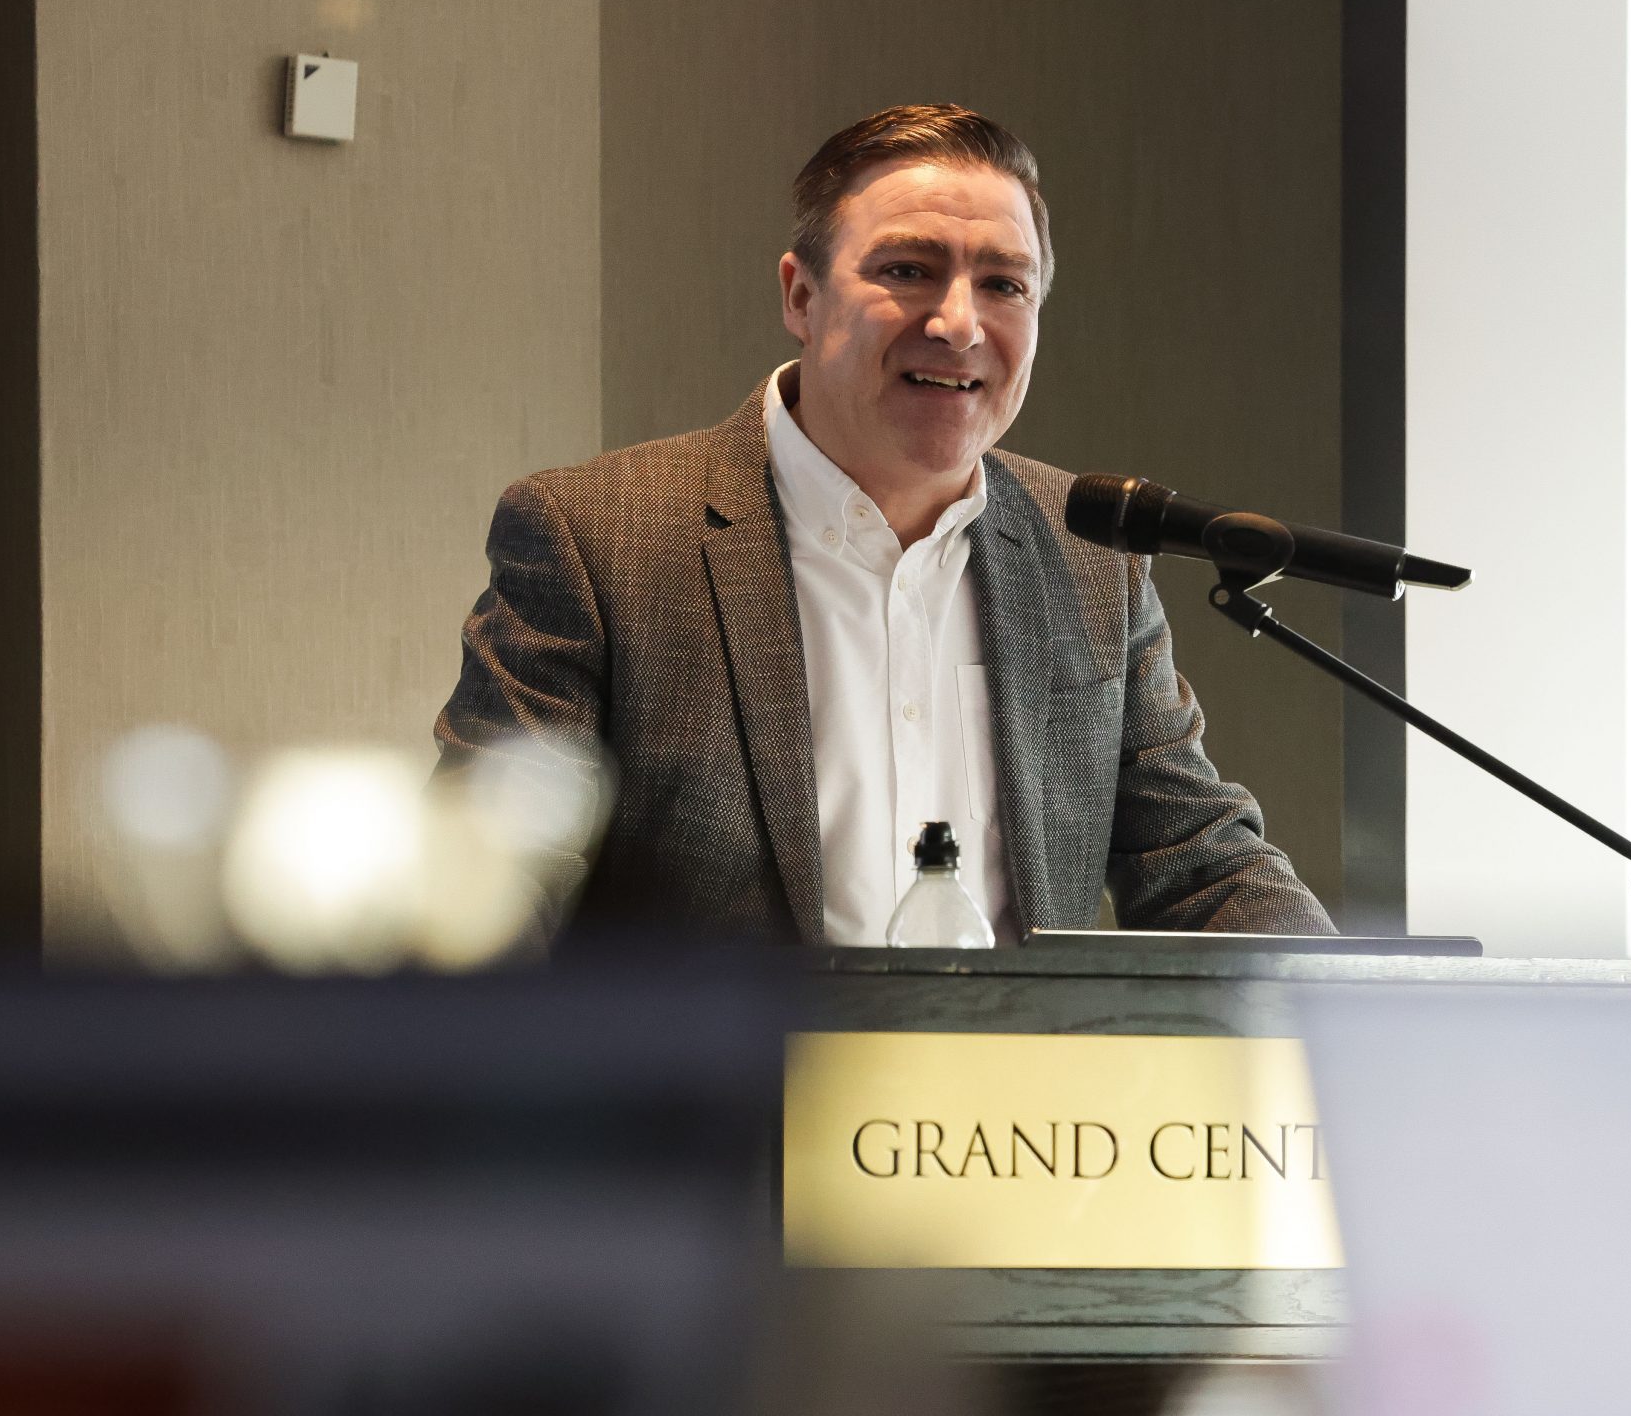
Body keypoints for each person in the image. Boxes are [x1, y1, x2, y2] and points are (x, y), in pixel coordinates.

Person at [433, 104, 1330, 944]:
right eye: (907, 270)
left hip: (1007, 1109)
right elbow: (492, 894)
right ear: (800, 296)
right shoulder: (599, 538)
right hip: (712, 1105)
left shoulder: (1090, 554)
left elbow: (1204, 868)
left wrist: (1381, 1028)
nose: (957, 323)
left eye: (1004, 284)